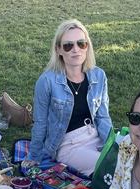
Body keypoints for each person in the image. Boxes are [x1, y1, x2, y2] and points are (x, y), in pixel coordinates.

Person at [23, 19, 112, 177]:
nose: (75, 50)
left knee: (128, 158)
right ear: (58, 50)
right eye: (68, 45)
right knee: (109, 167)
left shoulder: (98, 75)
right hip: (67, 144)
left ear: (87, 46)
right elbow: (40, 123)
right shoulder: (47, 81)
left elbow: (103, 116)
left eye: (81, 44)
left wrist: (111, 144)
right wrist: (34, 157)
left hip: (95, 136)